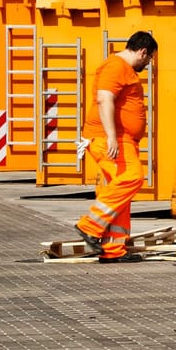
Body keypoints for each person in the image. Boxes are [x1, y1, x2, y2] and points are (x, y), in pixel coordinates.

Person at [74, 31, 157, 263]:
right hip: (109, 138)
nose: (148, 63)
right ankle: (89, 225)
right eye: (149, 58)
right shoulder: (115, 66)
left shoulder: (123, 69)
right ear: (142, 51)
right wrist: (111, 136)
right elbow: (104, 99)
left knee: (121, 194)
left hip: (122, 139)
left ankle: (112, 251)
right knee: (133, 177)